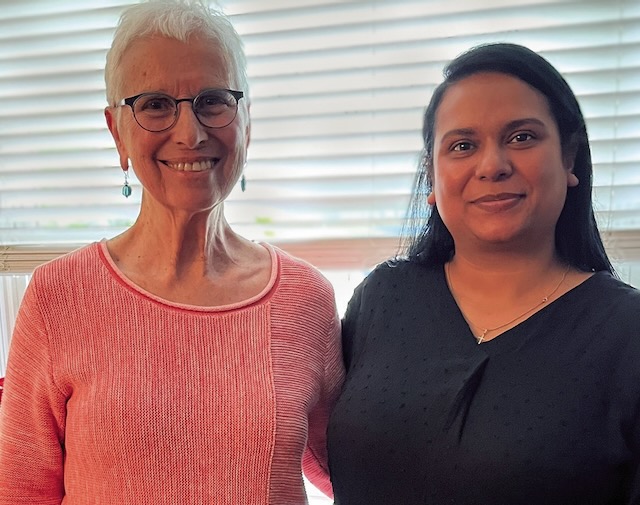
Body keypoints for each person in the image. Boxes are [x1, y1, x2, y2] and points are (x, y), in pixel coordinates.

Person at [0, 1, 344, 503]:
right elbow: (21, 491)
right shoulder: (58, 298)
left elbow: (352, 469)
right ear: (117, 131)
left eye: (213, 100)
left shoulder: (305, 298)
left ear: (246, 121)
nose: (190, 132)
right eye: (156, 104)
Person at [327, 42, 640, 504]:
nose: (492, 165)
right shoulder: (384, 297)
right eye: (462, 145)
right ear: (432, 179)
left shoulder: (626, 332)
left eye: (522, 137)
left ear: (569, 158)